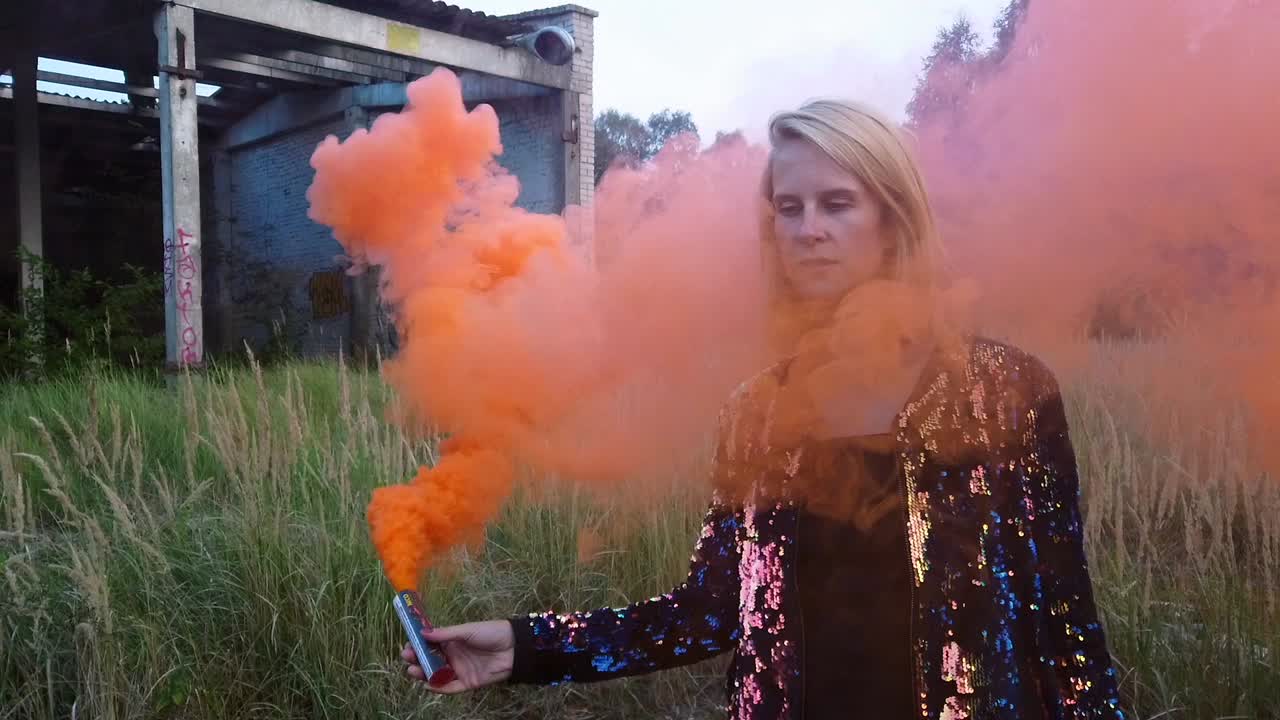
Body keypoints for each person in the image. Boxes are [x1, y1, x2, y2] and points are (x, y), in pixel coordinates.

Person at [400, 99, 1126, 719]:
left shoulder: (1001, 392)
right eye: (789, 207)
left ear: (892, 218)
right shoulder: (759, 413)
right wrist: (524, 648)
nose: (808, 228)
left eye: (837, 204)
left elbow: (1066, 627)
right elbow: (712, 609)